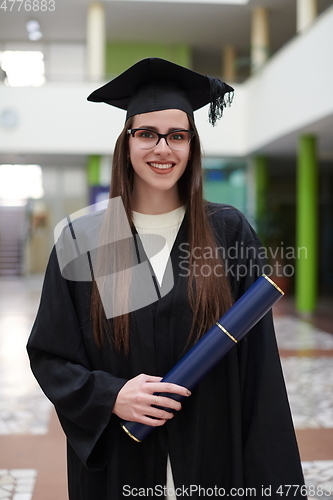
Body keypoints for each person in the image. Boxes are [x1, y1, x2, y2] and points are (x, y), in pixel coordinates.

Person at [27, 58, 305, 499]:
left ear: (192, 145)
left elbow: (259, 368)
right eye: (147, 134)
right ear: (127, 142)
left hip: (213, 455)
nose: (163, 149)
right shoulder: (86, 238)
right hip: (123, 457)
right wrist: (112, 395)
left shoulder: (227, 231)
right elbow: (50, 356)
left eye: (178, 135)